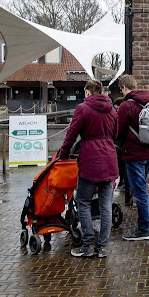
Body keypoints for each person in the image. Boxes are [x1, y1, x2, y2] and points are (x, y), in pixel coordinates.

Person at [58, 79, 118, 258]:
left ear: (87, 92)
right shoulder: (112, 109)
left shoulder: (82, 109)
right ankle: (103, 247)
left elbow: (71, 134)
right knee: (105, 205)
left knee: (83, 201)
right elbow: (115, 134)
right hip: (108, 159)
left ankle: (87, 246)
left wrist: (63, 154)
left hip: (90, 160)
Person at [116, 74, 149, 241]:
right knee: (141, 189)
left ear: (125, 88)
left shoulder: (127, 106)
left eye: (121, 89)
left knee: (138, 191)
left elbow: (117, 130)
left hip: (134, 155)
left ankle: (143, 230)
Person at [113, 96, 134, 208]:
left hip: (123, 148)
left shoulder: (122, 117)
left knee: (126, 172)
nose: (116, 110)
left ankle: (128, 197)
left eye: (117, 108)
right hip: (122, 149)